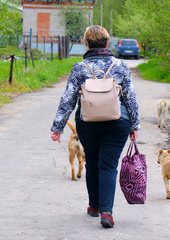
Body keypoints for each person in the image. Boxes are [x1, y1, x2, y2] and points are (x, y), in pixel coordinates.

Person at [50, 25, 140, 228]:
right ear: (108, 43)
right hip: (118, 123)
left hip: (88, 123)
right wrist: (134, 124)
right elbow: (130, 98)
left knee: (91, 162)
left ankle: (94, 206)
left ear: (87, 44)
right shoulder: (121, 66)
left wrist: (58, 127)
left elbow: (68, 100)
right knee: (108, 165)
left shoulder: (79, 68)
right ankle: (106, 213)